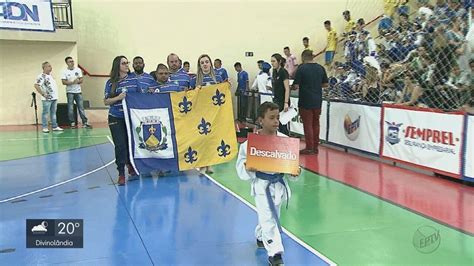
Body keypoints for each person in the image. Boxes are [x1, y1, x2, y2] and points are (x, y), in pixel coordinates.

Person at [236, 101, 300, 266]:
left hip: (278, 184)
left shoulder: (285, 141)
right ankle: (275, 254)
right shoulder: (250, 144)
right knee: (269, 219)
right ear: (260, 120)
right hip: (261, 186)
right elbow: (241, 169)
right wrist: (247, 167)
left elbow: (292, 166)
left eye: (278, 117)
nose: (276, 121)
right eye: (271, 118)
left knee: (272, 215)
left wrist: (295, 171)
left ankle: (260, 235)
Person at [103, 56, 139, 186]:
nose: (126, 65)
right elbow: (106, 101)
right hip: (116, 117)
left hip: (130, 118)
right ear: (117, 66)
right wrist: (118, 97)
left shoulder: (134, 80)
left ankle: (131, 165)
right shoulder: (111, 83)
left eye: (127, 63)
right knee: (120, 145)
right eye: (124, 63)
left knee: (131, 144)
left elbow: (141, 96)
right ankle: (121, 173)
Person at [191, 54, 223, 175]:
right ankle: (202, 163)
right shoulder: (195, 80)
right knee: (201, 139)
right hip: (200, 113)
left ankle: (210, 163)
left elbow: (222, 94)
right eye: (202, 62)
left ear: (210, 63)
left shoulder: (218, 78)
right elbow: (189, 95)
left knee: (212, 139)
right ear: (199, 65)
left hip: (214, 113)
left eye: (206, 62)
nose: (205, 64)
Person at [293, 50, 328, 154]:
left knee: (307, 124)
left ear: (303, 57)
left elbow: (296, 86)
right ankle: (315, 147)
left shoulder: (301, 68)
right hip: (317, 100)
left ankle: (309, 147)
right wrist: (316, 86)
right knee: (316, 124)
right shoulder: (321, 68)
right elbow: (325, 84)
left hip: (305, 99)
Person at [61, 57, 92, 128]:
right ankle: (72, 122)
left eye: (72, 61)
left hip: (78, 91)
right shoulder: (64, 72)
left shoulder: (78, 70)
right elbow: (63, 82)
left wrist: (78, 81)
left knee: (81, 107)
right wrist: (71, 82)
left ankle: (85, 122)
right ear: (67, 63)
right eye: (70, 62)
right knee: (70, 108)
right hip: (70, 92)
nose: (72, 63)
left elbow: (81, 80)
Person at [34, 62, 64, 133]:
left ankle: (55, 126)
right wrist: (43, 94)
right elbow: (36, 85)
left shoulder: (50, 76)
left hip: (54, 97)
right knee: (45, 112)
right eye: (48, 66)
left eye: (51, 66)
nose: (50, 67)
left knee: (53, 112)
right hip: (47, 98)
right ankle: (45, 127)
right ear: (44, 68)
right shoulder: (41, 76)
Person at [270, 53, 290, 135]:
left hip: (283, 101)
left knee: (283, 124)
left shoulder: (283, 72)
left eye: (274, 61)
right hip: (276, 100)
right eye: (271, 61)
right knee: (277, 123)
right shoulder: (274, 72)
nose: (272, 63)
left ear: (279, 61)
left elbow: (287, 88)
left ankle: (286, 141)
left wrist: (286, 103)